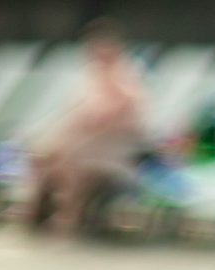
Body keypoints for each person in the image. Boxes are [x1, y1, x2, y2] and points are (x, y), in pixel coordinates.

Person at [22, 18, 151, 235]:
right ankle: (35, 217)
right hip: (82, 146)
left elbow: (108, 118)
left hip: (113, 150)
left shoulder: (126, 80)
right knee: (45, 157)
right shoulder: (90, 79)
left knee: (71, 163)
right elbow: (73, 117)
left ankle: (66, 220)